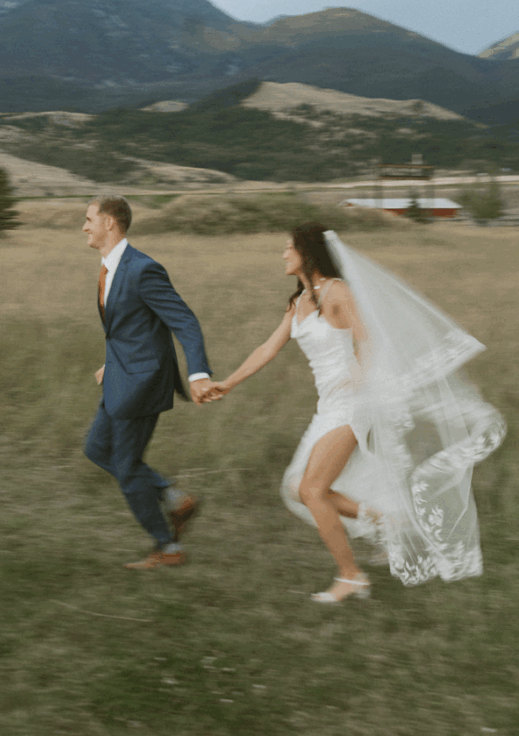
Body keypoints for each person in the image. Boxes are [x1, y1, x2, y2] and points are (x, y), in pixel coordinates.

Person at [203, 223, 505, 603]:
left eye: (288, 248)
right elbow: (267, 348)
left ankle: (351, 576)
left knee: (312, 490)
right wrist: (228, 383)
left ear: (307, 253)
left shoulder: (337, 291)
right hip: (327, 406)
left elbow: (370, 340)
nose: (283, 254)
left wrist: (359, 379)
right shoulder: (298, 302)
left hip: (352, 405)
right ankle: (390, 521)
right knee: (301, 487)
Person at [82, 194, 213, 569]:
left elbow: (183, 321)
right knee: (95, 448)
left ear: (110, 223)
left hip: (142, 382)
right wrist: (111, 363)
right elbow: (129, 329)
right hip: (121, 375)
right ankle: (173, 498)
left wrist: (198, 372)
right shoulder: (109, 266)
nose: (85, 226)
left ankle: (168, 548)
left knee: (125, 466)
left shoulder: (142, 269)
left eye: (90, 218)